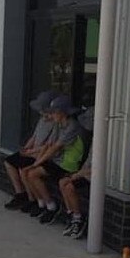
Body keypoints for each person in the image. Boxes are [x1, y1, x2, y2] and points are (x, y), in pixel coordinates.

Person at [25, 95, 85, 224]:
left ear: (62, 112)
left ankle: (52, 207)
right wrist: (37, 159)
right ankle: (44, 204)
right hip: (58, 160)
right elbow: (48, 145)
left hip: (68, 164)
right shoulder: (59, 124)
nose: (51, 115)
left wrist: (37, 163)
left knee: (32, 173)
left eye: (54, 112)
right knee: (30, 172)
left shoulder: (72, 126)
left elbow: (55, 148)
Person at [3, 90, 59, 210]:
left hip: (40, 154)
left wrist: (31, 152)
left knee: (24, 171)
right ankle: (20, 193)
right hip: (32, 151)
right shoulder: (42, 120)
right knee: (9, 161)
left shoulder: (55, 124)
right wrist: (27, 147)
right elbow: (34, 136)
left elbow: (48, 146)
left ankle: (33, 199)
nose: (43, 113)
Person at [59, 107, 93, 239]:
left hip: (94, 176)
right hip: (84, 171)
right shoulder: (92, 138)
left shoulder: (105, 141)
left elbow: (98, 168)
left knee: (69, 186)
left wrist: (78, 174)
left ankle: (78, 219)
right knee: (62, 182)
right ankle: (72, 215)